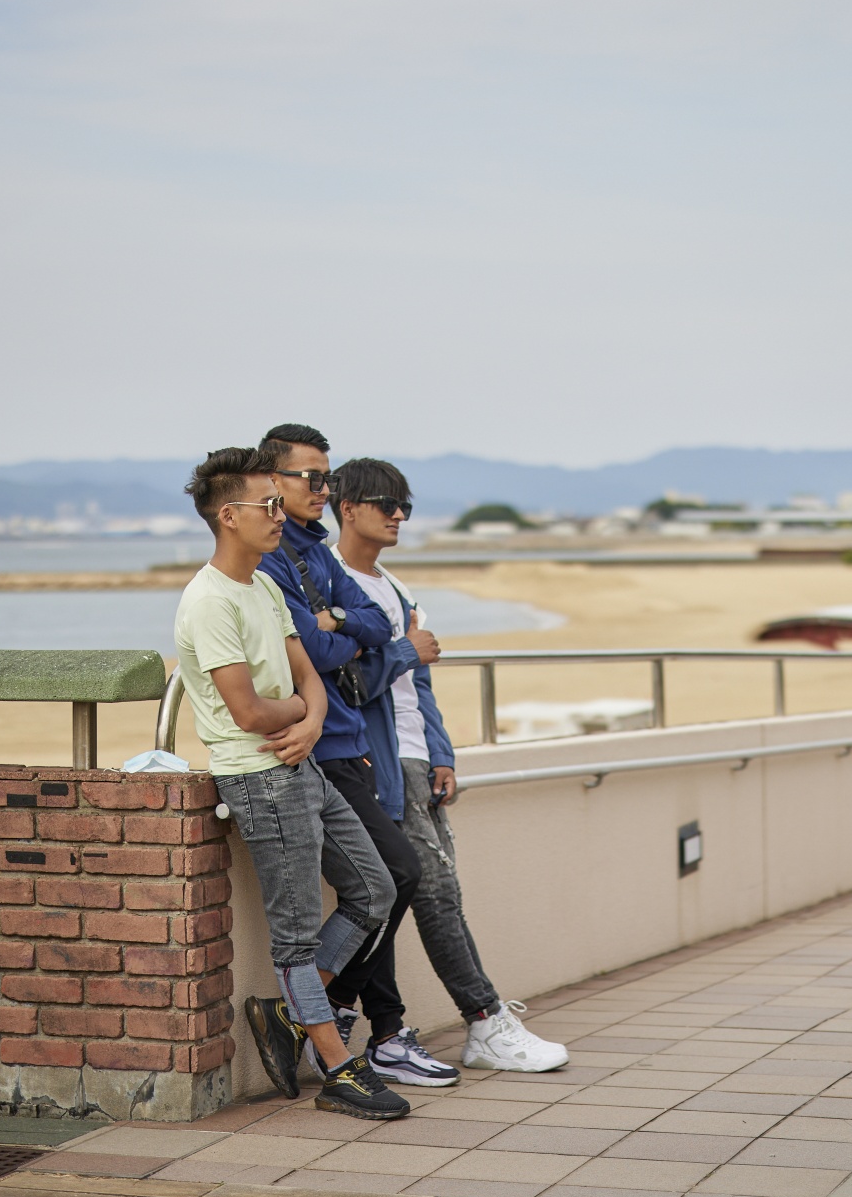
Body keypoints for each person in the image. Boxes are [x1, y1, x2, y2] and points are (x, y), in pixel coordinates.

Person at [173, 446, 409, 1121]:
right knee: (296, 935)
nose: (280, 515)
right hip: (259, 778)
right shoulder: (208, 601)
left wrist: (310, 721)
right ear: (229, 515)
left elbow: (309, 675)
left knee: (375, 889)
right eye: (267, 504)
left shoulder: (265, 587)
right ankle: (338, 1066)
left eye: (281, 503)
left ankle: (288, 1011)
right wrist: (304, 716)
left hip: (300, 764)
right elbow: (247, 713)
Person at [331, 457, 571, 1073]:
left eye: (404, 505)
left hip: (417, 759)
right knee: (429, 891)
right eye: (386, 504)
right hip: (380, 763)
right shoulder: (333, 585)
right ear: (348, 508)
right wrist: (406, 650)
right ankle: (482, 1020)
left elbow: (420, 686)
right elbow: (345, 684)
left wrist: (442, 753)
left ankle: (358, 1017)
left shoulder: (396, 588)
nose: (399, 515)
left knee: (434, 893)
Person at [254, 424, 458, 1089]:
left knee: (386, 883)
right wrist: (351, 636)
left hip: (352, 748)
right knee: (391, 879)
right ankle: (328, 1015)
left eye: (326, 476)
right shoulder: (273, 559)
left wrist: (340, 622)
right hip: (318, 749)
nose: (323, 487)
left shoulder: (316, 552)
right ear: (272, 482)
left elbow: (370, 625)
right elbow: (317, 654)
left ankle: (338, 1018)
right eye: (312, 478)